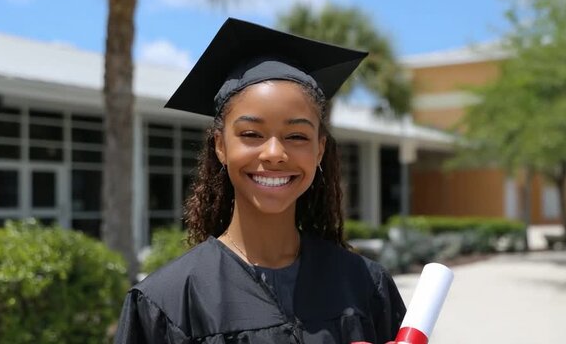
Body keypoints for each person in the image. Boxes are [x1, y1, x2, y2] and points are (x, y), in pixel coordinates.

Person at [115, 18, 406, 344]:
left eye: (296, 135)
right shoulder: (168, 301)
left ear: (320, 149)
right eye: (251, 134)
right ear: (220, 146)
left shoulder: (366, 287)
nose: (274, 153)